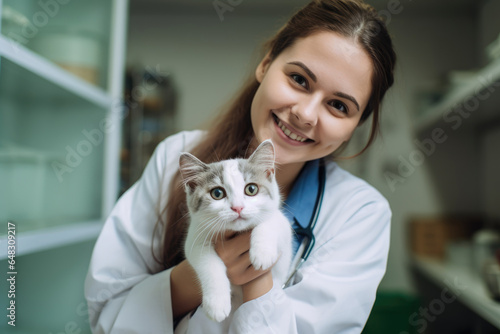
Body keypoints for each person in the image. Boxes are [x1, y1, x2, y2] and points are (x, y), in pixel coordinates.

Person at [84, 0, 396, 332]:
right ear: (265, 64)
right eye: (299, 79)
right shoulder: (176, 155)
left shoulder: (361, 213)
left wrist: (257, 276)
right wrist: (198, 276)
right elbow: (108, 308)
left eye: (338, 105)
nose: (305, 114)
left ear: (355, 124)